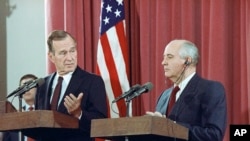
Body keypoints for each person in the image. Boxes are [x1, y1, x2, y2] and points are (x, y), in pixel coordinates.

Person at [146, 39, 227, 141]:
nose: (163, 63)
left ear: (187, 61)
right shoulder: (164, 96)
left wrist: (171, 127)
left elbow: (214, 135)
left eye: (169, 57)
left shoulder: (210, 89)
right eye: (164, 58)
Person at [35, 30, 107, 141]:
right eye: (63, 53)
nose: (70, 58)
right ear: (51, 56)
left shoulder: (93, 82)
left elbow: (101, 124)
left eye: (72, 51)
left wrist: (79, 113)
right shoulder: (42, 85)